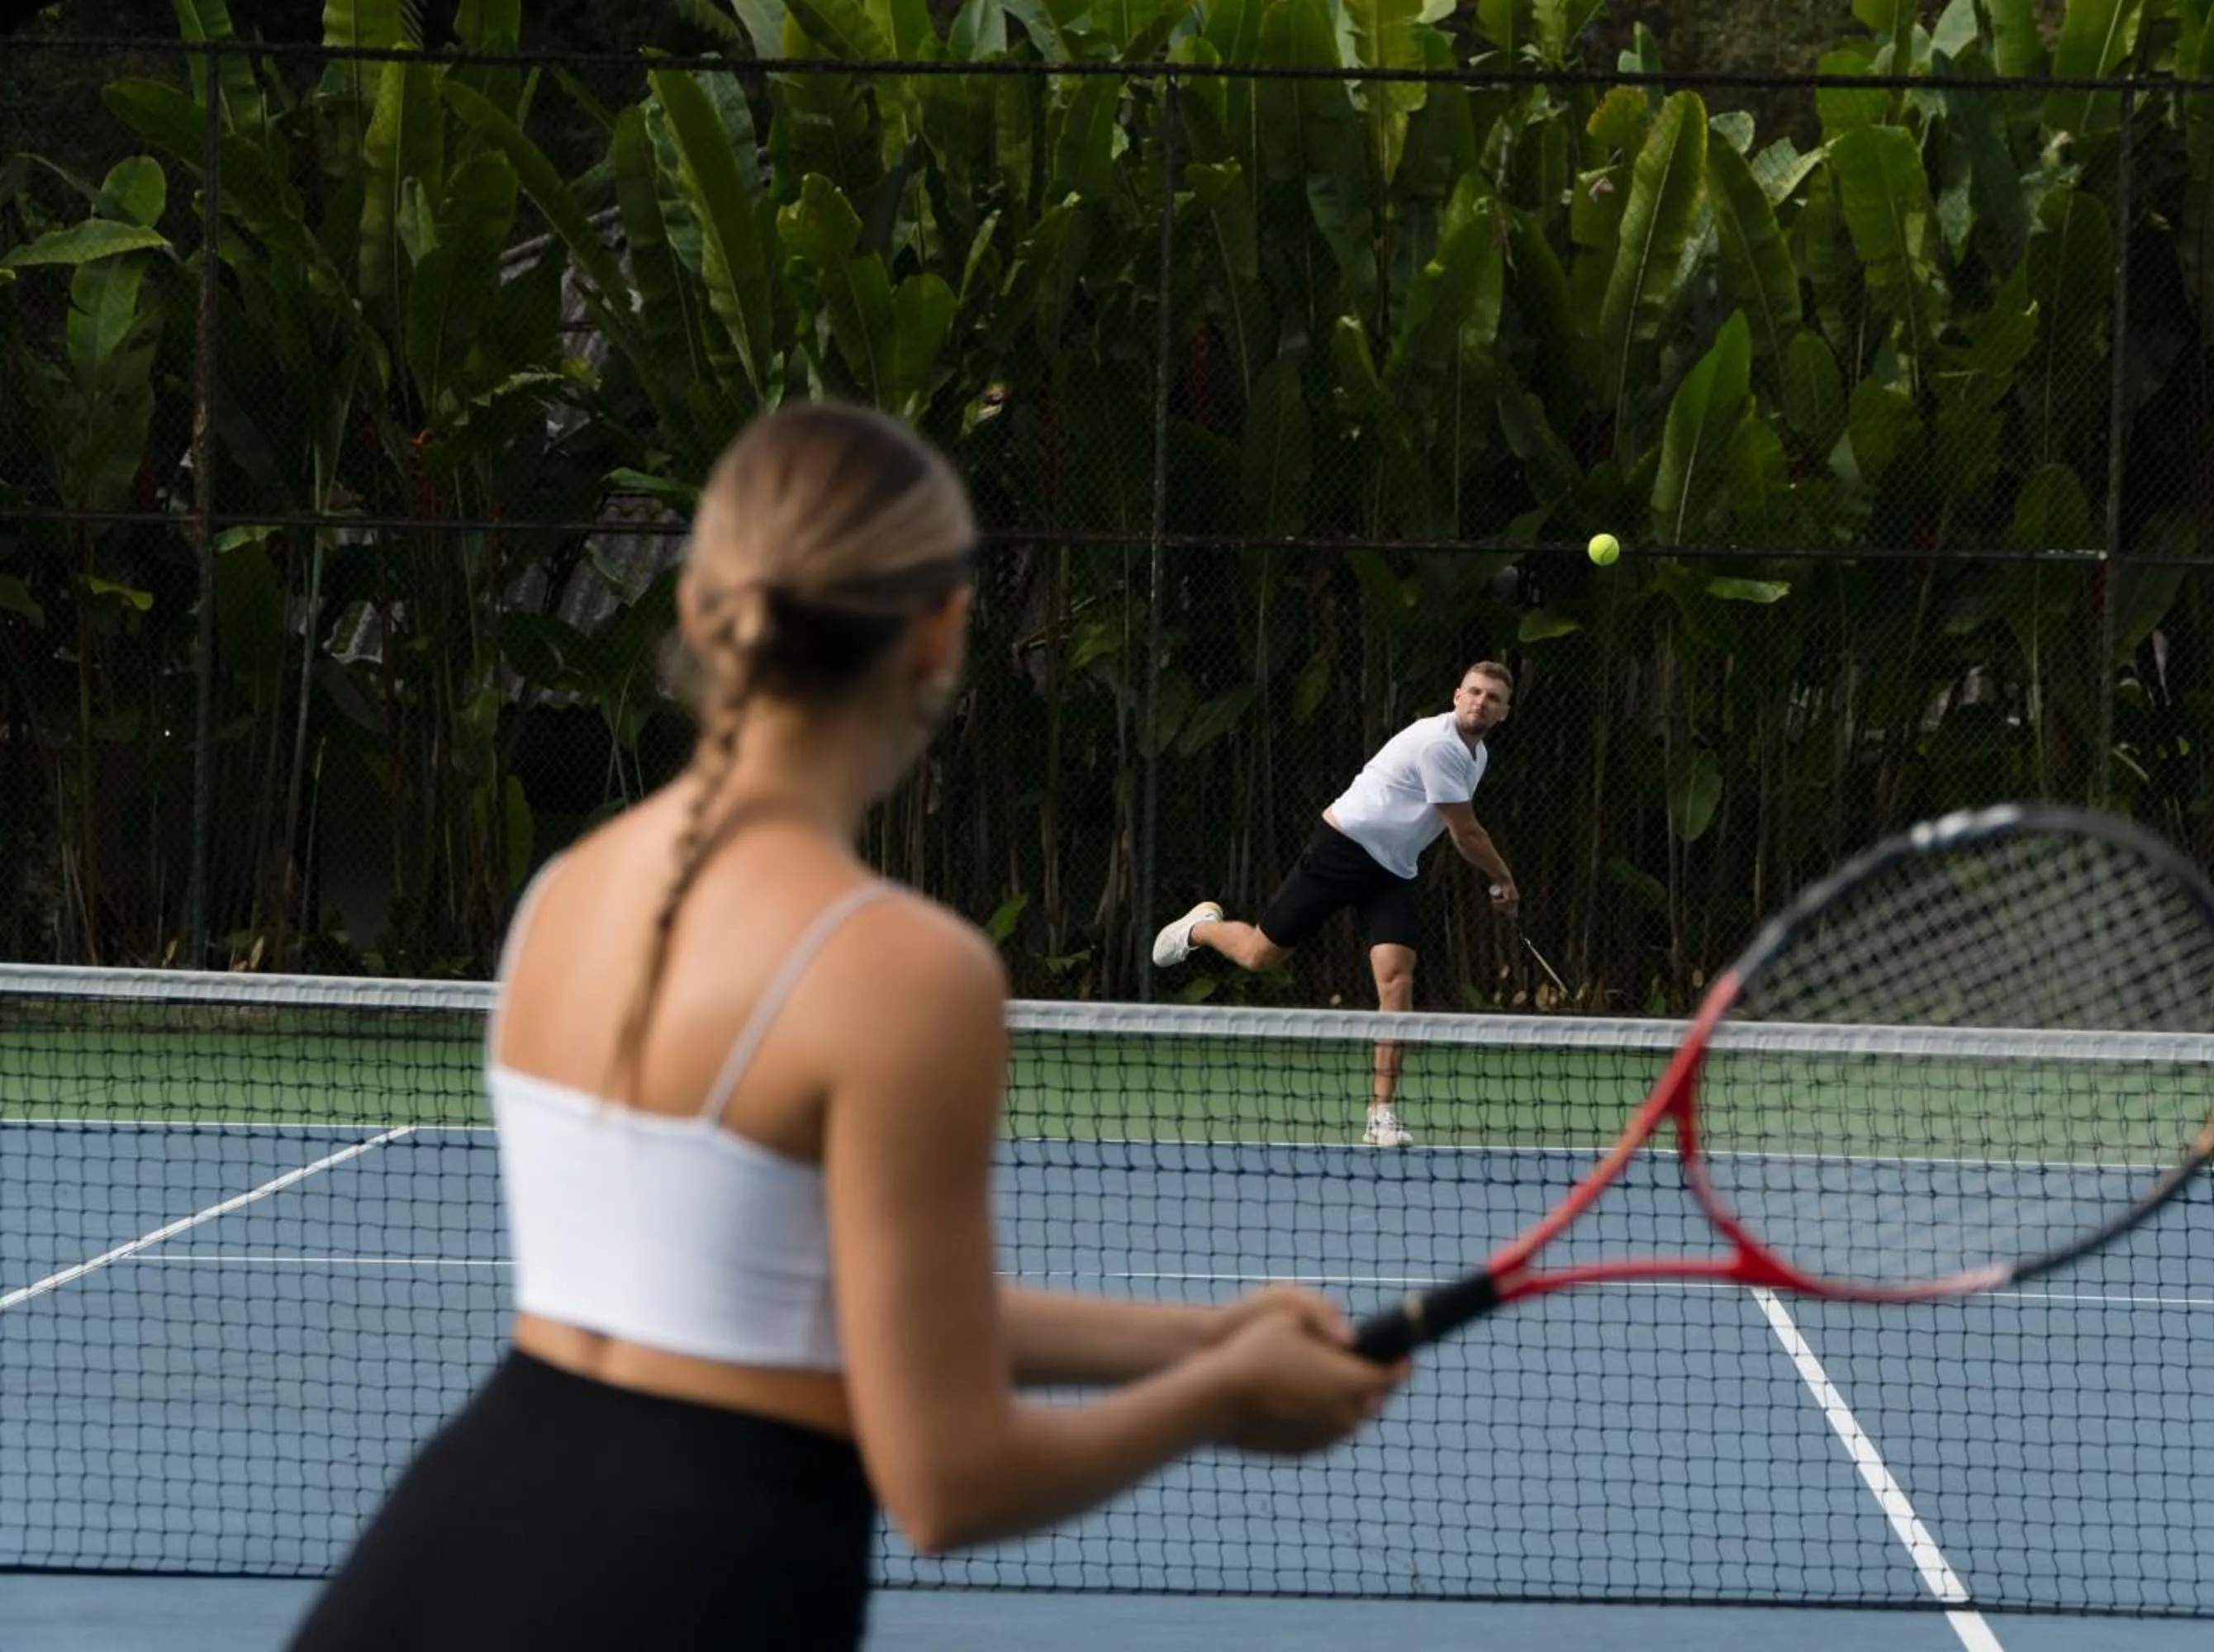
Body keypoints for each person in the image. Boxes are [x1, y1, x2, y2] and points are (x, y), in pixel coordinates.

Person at [288, 402, 1404, 1652]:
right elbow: (950, 1482)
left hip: (439, 1560)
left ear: (702, 606)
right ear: (940, 633)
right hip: (687, 1589)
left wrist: (1203, 1336)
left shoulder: (562, 895)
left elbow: (780, 1299)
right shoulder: (902, 971)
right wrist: (1221, 1397)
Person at [1150, 664, 1520, 1147]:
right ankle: (1201, 926)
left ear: (1503, 712)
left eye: (1492, 698)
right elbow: (1465, 833)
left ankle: (1380, 1113)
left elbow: (1452, 827)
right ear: (1456, 696)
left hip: (1393, 873)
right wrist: (1503, 879)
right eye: (1474, 692)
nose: (1480, 702)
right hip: (1341, 850)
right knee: (1260, 955)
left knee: (1397, 983)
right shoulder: (1439, 745)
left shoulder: (1477, 755)